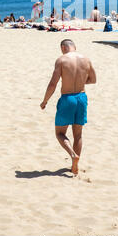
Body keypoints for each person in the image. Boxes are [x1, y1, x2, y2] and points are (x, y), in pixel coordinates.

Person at [40, 39, 96, 175]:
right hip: (82, 98)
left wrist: (45, 101)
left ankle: (72, 155)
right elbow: (93, 80)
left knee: (60, 133)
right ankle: (74, 166)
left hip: (67, 99)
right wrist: (81, 81)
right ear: (74, 47)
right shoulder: (86, 59)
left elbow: (53, 84)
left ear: (63, 48)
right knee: (78, 134)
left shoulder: (61, 60)